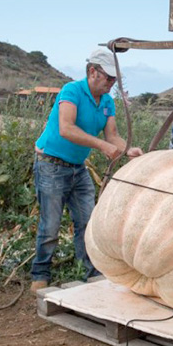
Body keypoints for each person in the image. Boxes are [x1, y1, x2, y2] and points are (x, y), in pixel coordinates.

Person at [31, 49, 143, 293]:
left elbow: (112, 136)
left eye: (115, 80)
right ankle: (40, 274)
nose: (112, 83)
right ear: (93, 72)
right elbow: (66, 128)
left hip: (77, 169)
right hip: (51, 164)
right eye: (109, 78)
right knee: (50, 225)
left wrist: (128, 151)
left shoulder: (106, 102)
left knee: (88, 222)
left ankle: (90, 273)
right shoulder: (72, 90)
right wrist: (102, 146)